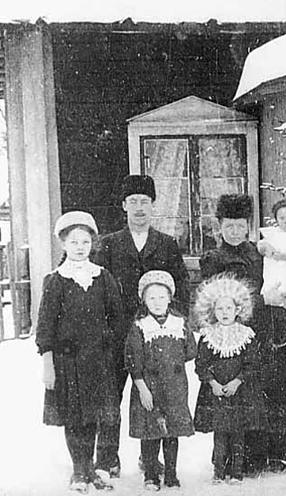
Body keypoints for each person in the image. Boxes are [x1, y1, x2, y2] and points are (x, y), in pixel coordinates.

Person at [93, 174, 190, 477]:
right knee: (111, 397)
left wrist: (168, 325)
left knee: (153, 397)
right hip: (116, 336)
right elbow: (94, 289)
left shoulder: (167, 244)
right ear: (124, 205)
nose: (139, 208)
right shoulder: (107, 245)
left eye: (144, 202)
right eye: (133, 201)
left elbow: (182, 289)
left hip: (154, 340)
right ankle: (107, 458)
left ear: (153, 205)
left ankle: (150, 459)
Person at [201, 194, 286, 473]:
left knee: (265, 391)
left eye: (240, 226)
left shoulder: (258, 253)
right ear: (219, 227)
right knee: (236, 394)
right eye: (229, 226)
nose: (235, 232)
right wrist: (263, 299)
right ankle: (231, 457)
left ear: (248, 226)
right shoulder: (214, 259)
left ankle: (266, 454)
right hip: (230, 336)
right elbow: (221, 298)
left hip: (263, 332)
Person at [36, 211, 123, 493]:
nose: (80, 247)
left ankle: (99, 469)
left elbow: (117, 318)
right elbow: (45, 329)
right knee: (76, 418)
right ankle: (80, 471)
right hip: (68, 362)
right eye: (73, 242)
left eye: (85, 241)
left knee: (101, 416)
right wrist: (48, 365)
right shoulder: (56, 280)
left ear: (92, 244)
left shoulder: (102, 277)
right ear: (63, 243)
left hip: (100, 361)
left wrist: (109, 347)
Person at [124, 271, 196, 490]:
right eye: (151, 298)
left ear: (170, 298)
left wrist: (172, 364)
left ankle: (171, 474)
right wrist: (142, 387)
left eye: (162, 297)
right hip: (148, 387)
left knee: (172, 432)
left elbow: (190, 351)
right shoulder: (139, 326)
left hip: (175, 386)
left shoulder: (179, 323)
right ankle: (151, 475)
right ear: (144, 300)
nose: (157, 302)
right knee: (150, 432)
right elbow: (132, 360)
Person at [193, 274, 267, 484]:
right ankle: (218, 471)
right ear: (213, 311)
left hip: (240, 392)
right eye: (220, 309)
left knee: (238, 434)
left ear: (238, 310)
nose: (224, 313)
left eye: (229, 308)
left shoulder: (246, 334)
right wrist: (212, 383)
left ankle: (236, 472)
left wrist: (237, 381)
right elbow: (201, 364)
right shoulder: (208, 335)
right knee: (220, 433)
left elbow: (253, 363)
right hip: (216, 393)